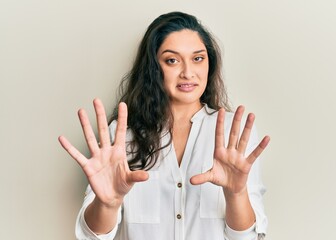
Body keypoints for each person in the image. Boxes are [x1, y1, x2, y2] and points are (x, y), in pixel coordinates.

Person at [58, 11, 270, 240]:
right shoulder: (123, 136)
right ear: (153, 68)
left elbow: (246, 237)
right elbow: (94, 237)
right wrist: (107, 204)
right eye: (172, 60)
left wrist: (236, 194)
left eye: (198, 58)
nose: (188, 73)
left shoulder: (233, 133)